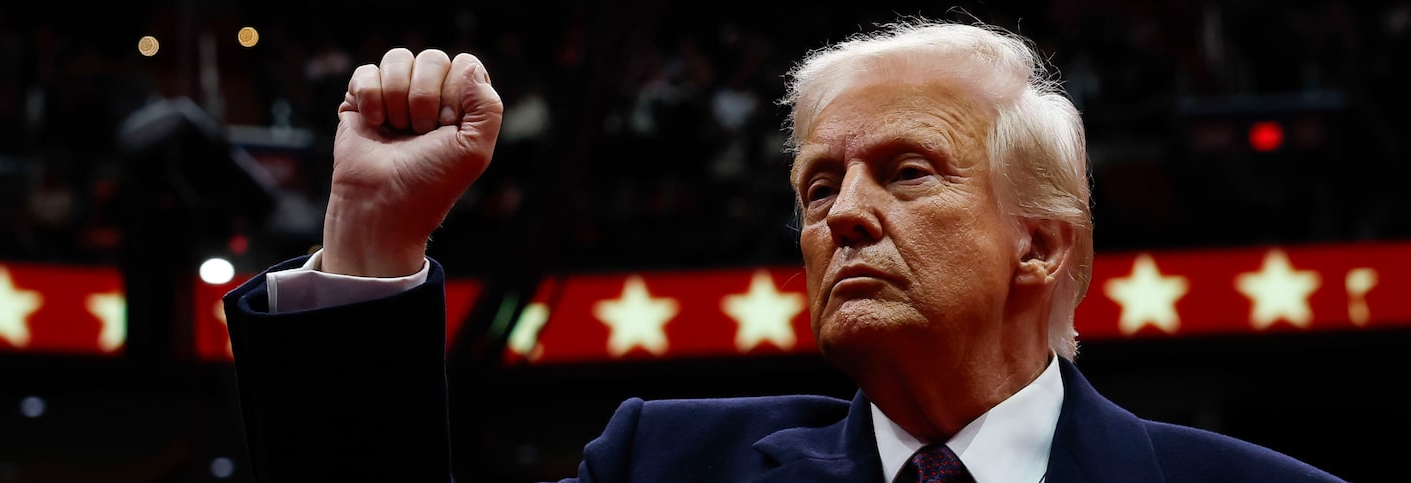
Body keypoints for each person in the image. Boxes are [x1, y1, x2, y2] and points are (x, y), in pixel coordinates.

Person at [223, 17, 1347, 483]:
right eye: (819, 185)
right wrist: (369, 243)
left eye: (906, 171)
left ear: (1041, 243)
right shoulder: (661, 467)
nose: (842, 215)